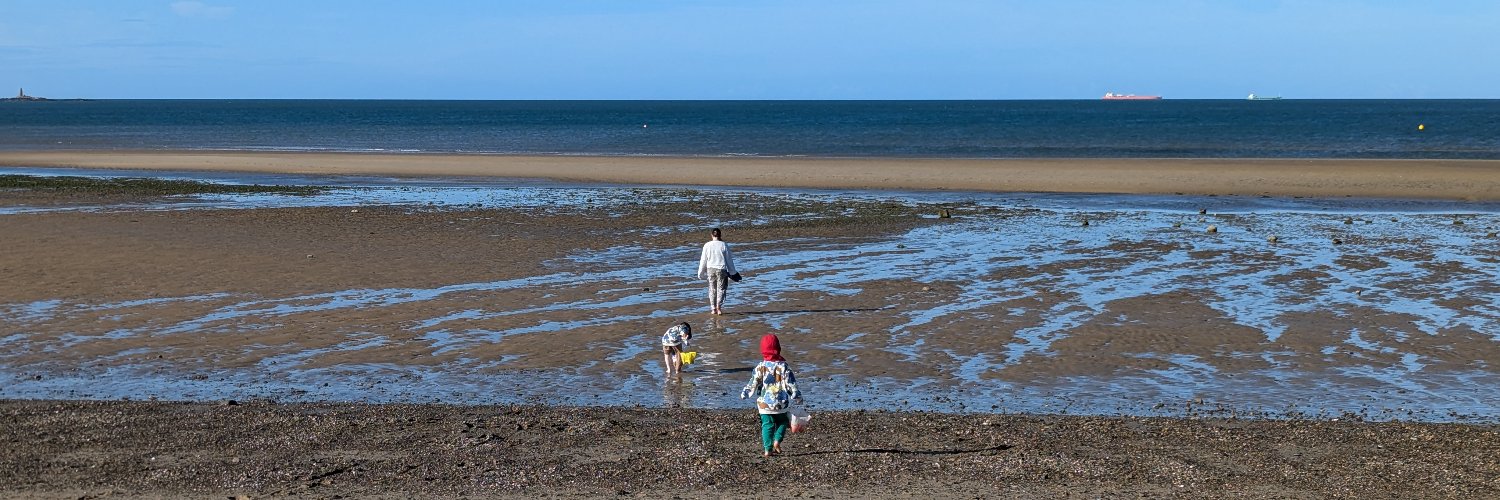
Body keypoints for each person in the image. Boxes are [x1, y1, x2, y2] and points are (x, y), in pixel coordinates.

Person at [740, 333, 801, 457]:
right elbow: (791, 383)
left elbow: (753, 382)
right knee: (783, 422)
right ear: (778, 349)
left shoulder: (760, 367)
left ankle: (767, 449)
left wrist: (746, 392)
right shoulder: (784, 366)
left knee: (767, 425)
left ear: (762, 351)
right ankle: (777, 440)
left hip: (764, 404)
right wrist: (796, 395)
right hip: (781, 403)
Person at [696, 227, 739, 315]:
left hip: (710, 269)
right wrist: (733, 272)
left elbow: (703, 260)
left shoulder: (707, 245)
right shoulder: (724, 245)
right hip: (721, 269)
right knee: (721, 289)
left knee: (712, 289)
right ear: (720, 235)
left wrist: (700, 273)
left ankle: (713, 308)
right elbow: (729, 260)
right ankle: (719, 307)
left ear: (712, 235)